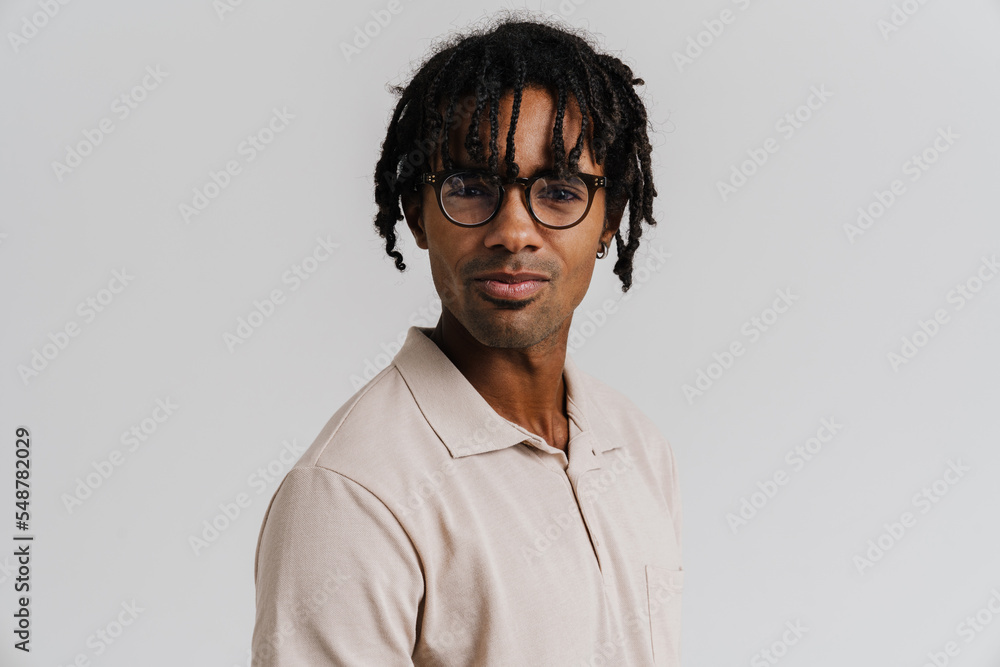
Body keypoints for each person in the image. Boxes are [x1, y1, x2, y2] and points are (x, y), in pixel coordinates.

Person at [252, 14, 682, 666]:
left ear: (609, 219)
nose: (514, 230)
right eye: (471, 187)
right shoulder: (350, 491)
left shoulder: (637, 447)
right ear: (418, 215)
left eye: (560, 190)